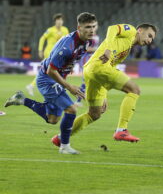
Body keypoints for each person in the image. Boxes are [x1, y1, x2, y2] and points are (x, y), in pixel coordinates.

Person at [4, 12, 98, 154]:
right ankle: (64, 146)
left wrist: (69, 66)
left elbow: (75, 55)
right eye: (87, 27)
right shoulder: (67, 46)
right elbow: (50, 71)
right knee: (71, 109)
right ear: (79, 27)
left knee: (52, 119)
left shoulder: (86, 41)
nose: (91, 30)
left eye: (93, 26)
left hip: (57, 77)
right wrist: (70, 87)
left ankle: (22, 100)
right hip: (47, 79)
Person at [51, 23, 157, 146]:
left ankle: (61, 137)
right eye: (149, 35)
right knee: (134, 90)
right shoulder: (131, 31)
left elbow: (110, 66)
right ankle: (122, 130)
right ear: (140, 30)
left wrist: (104, 93)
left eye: (152, 39)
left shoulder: (127, 47)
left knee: (94, 114)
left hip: (91, 71)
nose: (149, 41)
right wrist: (107, 49)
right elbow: (112, 28)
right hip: (99, 67)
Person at [26, 13, 69, 96]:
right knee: (52, 70)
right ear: (55, 21)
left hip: (59, 52)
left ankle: (32, 85)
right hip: (49, 52)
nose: (59, 22)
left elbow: (67, 40)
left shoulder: (65, 30)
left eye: (61, 20)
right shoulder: (50, 30)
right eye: (58, 20)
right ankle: (57, 86)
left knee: (48, 70)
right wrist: (40, 50)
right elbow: (42, 38)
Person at [75, 22, 100, 107]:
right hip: (86, 59)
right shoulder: (87, 36)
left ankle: (92, 98)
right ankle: (78, 100)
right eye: (92, 26)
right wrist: (96, 49)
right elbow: (85, 48)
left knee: (93, 79)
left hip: (93, 60)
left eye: (95, 26)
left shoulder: (96, 36)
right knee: (85, 80)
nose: (94, 27)